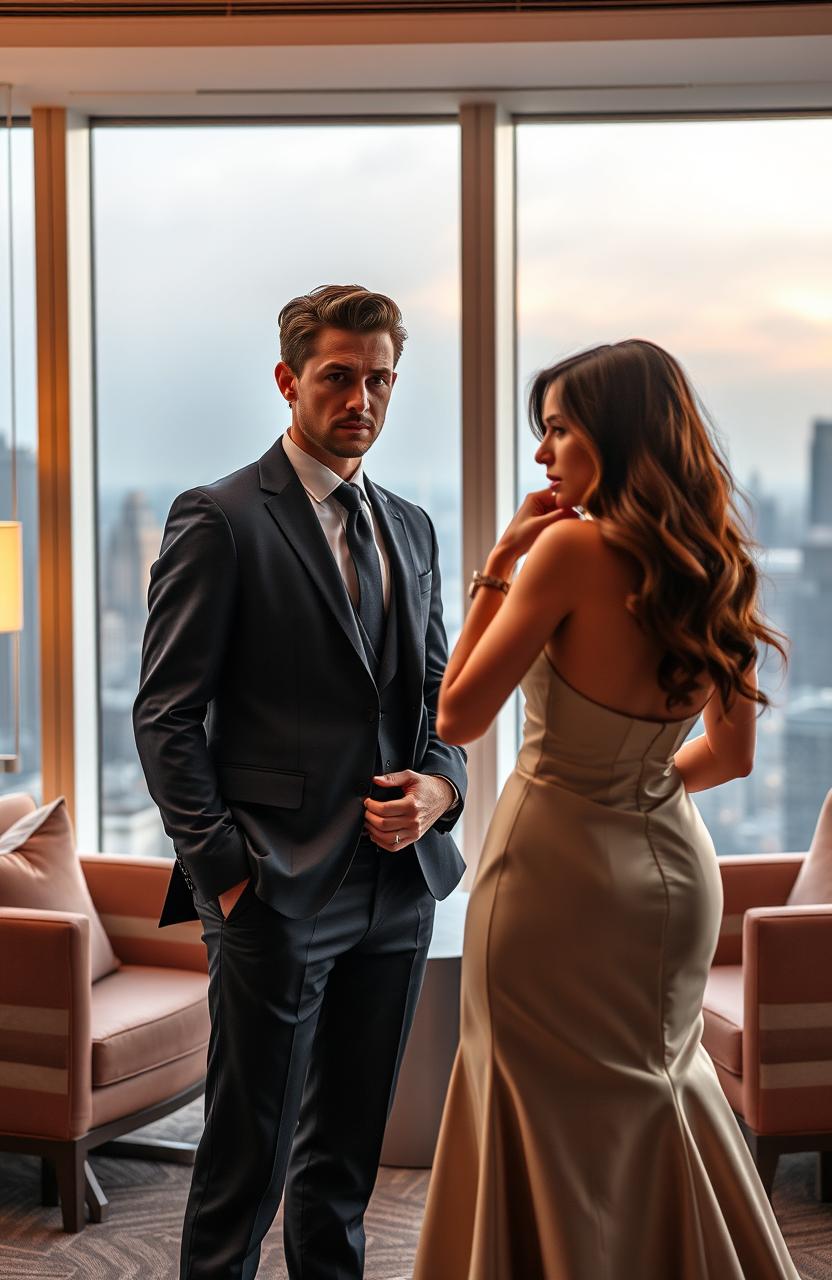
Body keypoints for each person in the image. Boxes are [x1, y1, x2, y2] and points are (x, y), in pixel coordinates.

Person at [413, 339, 798, 1279]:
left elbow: (456, 713)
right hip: (671, 870)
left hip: (552, 874)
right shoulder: (717, 561)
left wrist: (500, 561)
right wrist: (639, 785)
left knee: (530, 1094)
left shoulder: (567, 549)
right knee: (661, 1084)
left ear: (614, 435)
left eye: (557, 429)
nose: (541, 454)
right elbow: (733, 756)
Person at [132, 284, 467, 1280]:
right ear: (288, 381)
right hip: (272, 891)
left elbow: (442, 698)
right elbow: (165, 715)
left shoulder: (410, 526)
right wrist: (227, 877)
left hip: (395, 889)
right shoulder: (223, 517)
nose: (359, 396)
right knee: (245, 1164)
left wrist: (438, 794)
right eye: (336, 376)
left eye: (378, 379)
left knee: (342, 1170)